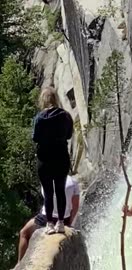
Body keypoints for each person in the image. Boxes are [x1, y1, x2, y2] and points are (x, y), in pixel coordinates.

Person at [33, 87, 73, 234]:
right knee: (60, 190)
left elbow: (35, 137)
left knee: (48, 192)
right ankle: (61, 223)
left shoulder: (39, 118)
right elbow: (69, 135)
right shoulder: (66, 116)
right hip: (61, 158)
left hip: (44, 159)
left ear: (43, 100)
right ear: (56, 99)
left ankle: (49, 224)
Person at [17, 175, 80, 263]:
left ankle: (19, 263)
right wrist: (69, 224)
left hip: (46, 218)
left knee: (24, 233)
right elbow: (75, 206)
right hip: (64, 219)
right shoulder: (73, 182)